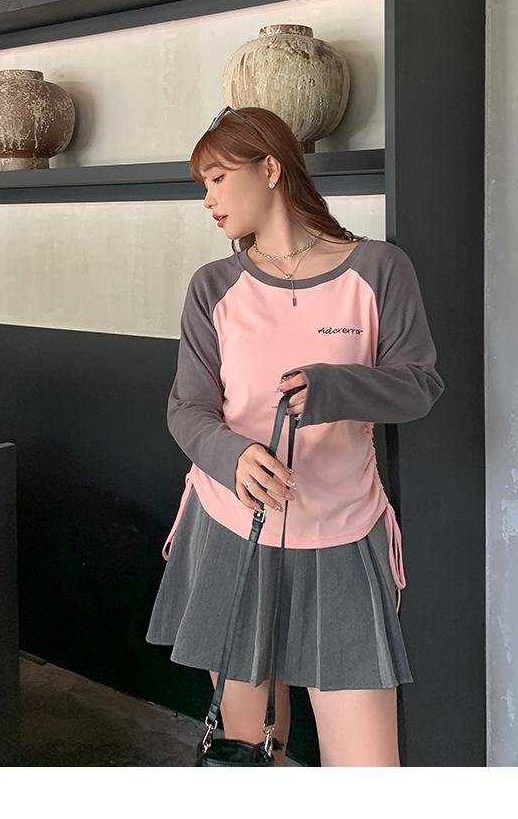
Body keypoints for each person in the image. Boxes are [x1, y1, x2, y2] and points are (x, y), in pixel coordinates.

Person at [145, 106, 445, 766]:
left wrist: (333, 388)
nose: (207, 200)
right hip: (231, 530)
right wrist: (233, 457)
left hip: (342, 536)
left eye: (218, 179)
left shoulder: (379, 269)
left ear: (271, 168)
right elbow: (188, 408)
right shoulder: (214, 286)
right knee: (252, 753)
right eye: (203, 185)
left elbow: (419, 385)